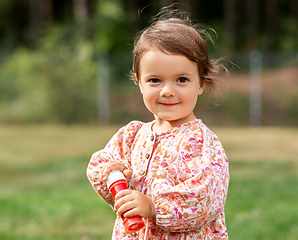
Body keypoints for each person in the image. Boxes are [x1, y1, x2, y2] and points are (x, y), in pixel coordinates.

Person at [86, 6, 230, 239]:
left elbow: (205, 198)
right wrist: (111, 176)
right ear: (139, 82)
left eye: (182, 79)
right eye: (155, 80)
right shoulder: (131, 136)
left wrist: (154, 207)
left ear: (201, 83)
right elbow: (101, 166)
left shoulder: (202, 144)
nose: (167, 91)